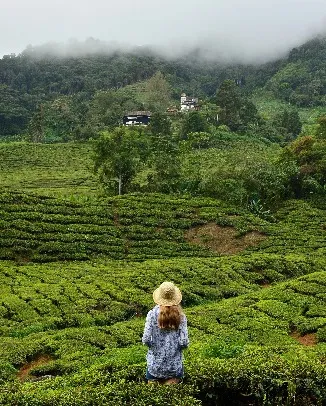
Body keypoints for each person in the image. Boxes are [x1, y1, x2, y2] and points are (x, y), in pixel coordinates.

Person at [142, 281, 189, 384]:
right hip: (174, 368)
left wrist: (154, 347)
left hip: (154, 367)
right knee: (171, 398)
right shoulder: (181, 317)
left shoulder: (151, 315)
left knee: (152, 397)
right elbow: (184, 342)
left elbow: (145, 339)